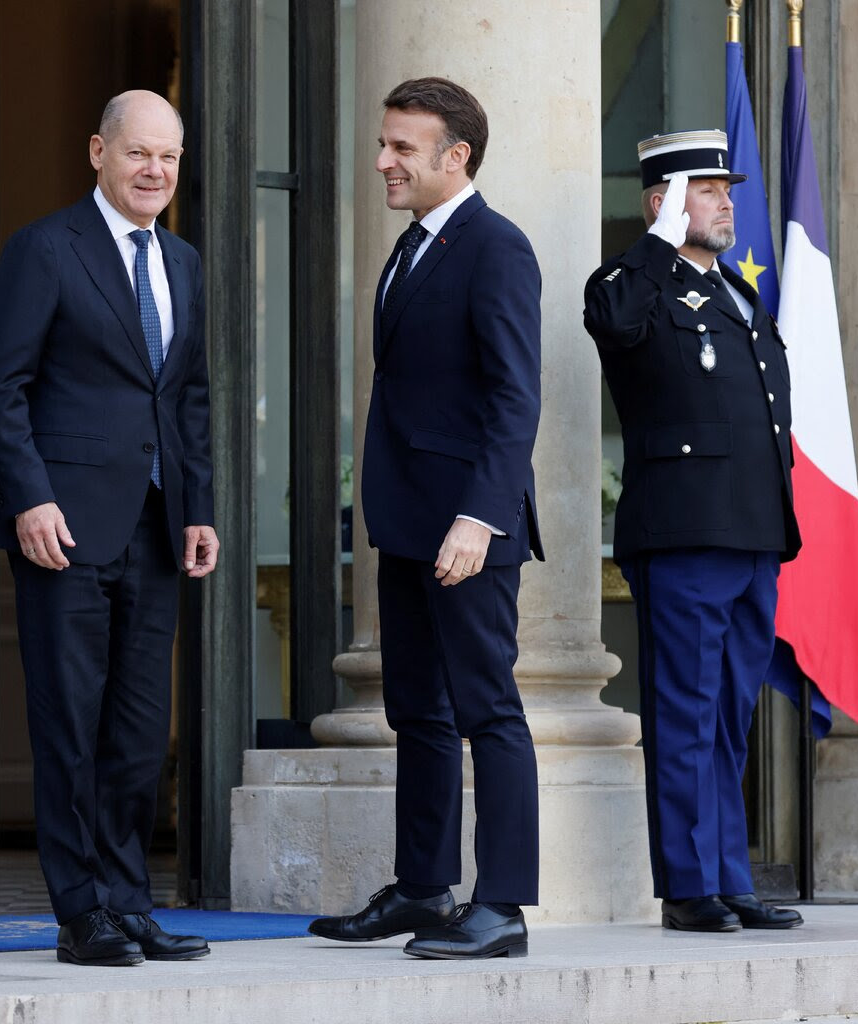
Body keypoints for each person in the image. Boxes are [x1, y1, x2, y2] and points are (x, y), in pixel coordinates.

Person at [0, 90, 219, 966]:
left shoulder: (184, 262)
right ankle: (81, 912)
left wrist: (198, 511)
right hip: (63, 529)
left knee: (136, 727)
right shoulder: (46, 249)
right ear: (98, 153)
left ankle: (129, 901)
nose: (154, 171)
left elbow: (187, 398)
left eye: (168, 157)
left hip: (156, 529)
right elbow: (1, 387)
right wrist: (29, 496)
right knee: (70, 724)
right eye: (137, 154)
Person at [308, 77, 543, 960]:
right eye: (383, 143)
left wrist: (480, 519)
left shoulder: (497, 248)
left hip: (466, 533)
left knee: (490, 710)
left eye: (403, 148)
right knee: (418, 711)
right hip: (408, 525)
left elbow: (516, 397)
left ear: (457, 157)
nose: (383, 161)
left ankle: (505, 908)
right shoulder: (410, 248)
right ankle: (422, 888)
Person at [583, 129, 803, 933]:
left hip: (751, 535)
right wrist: (653, 241)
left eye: (724, 190)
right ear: (663, 202)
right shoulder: (633, 284)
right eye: (705, 190)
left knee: (728, 718)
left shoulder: (738, 297)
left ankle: (729, 875)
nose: (724, 202)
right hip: (683, 536)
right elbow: (612, 322)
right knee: (683, 713)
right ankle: (686, 887)